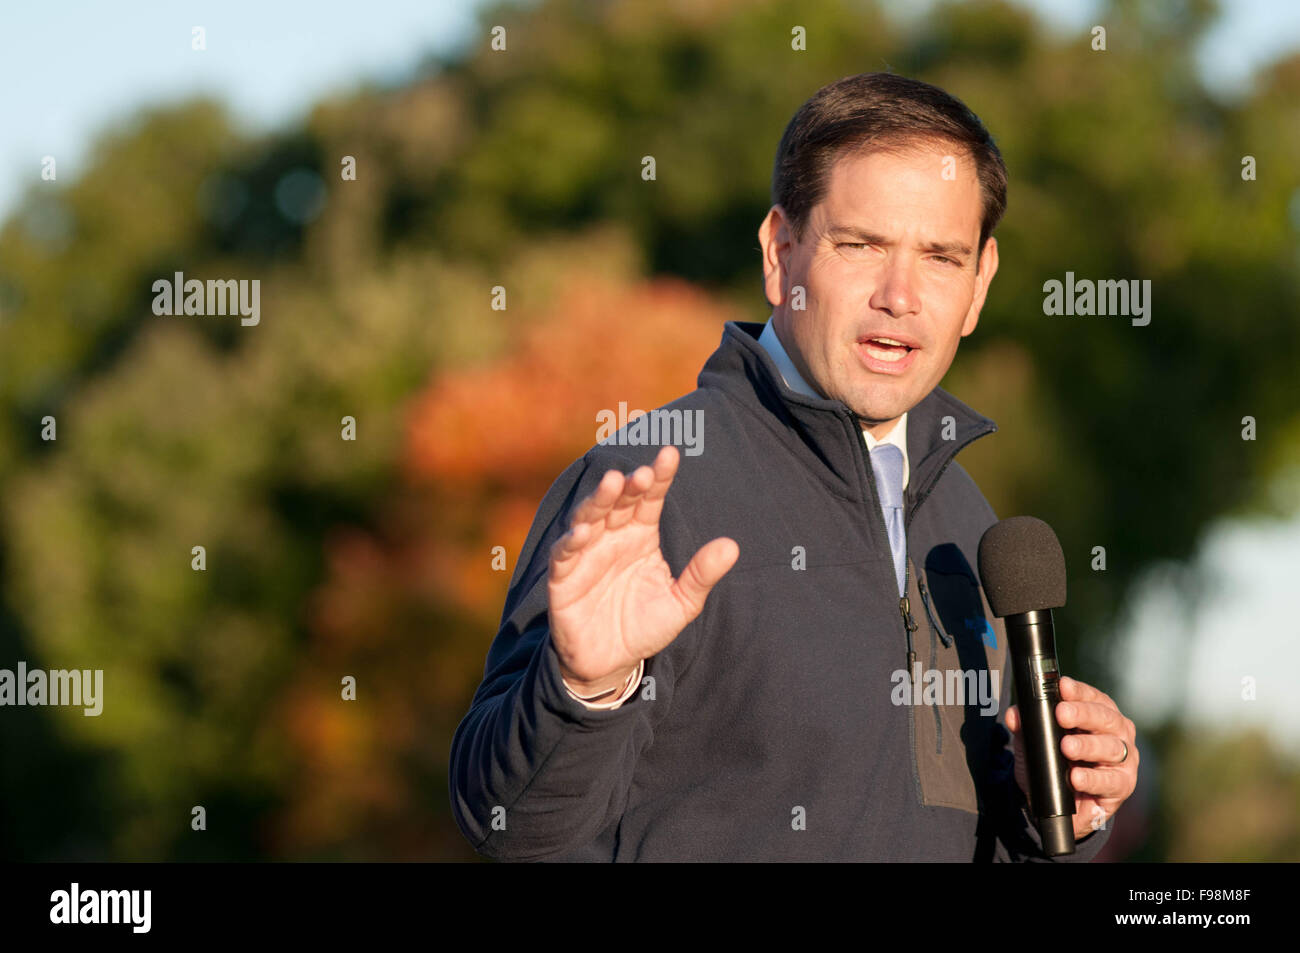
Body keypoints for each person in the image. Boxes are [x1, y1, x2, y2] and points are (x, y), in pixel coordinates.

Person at [449, 72, 1138, 861]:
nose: (901, 295)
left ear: (979, 286)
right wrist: (584, 693)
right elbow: (508, 823)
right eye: (862, 245)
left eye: (941, 258)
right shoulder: (648, 487)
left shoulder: (972, 527)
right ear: (781, 254)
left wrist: (1061, 808)